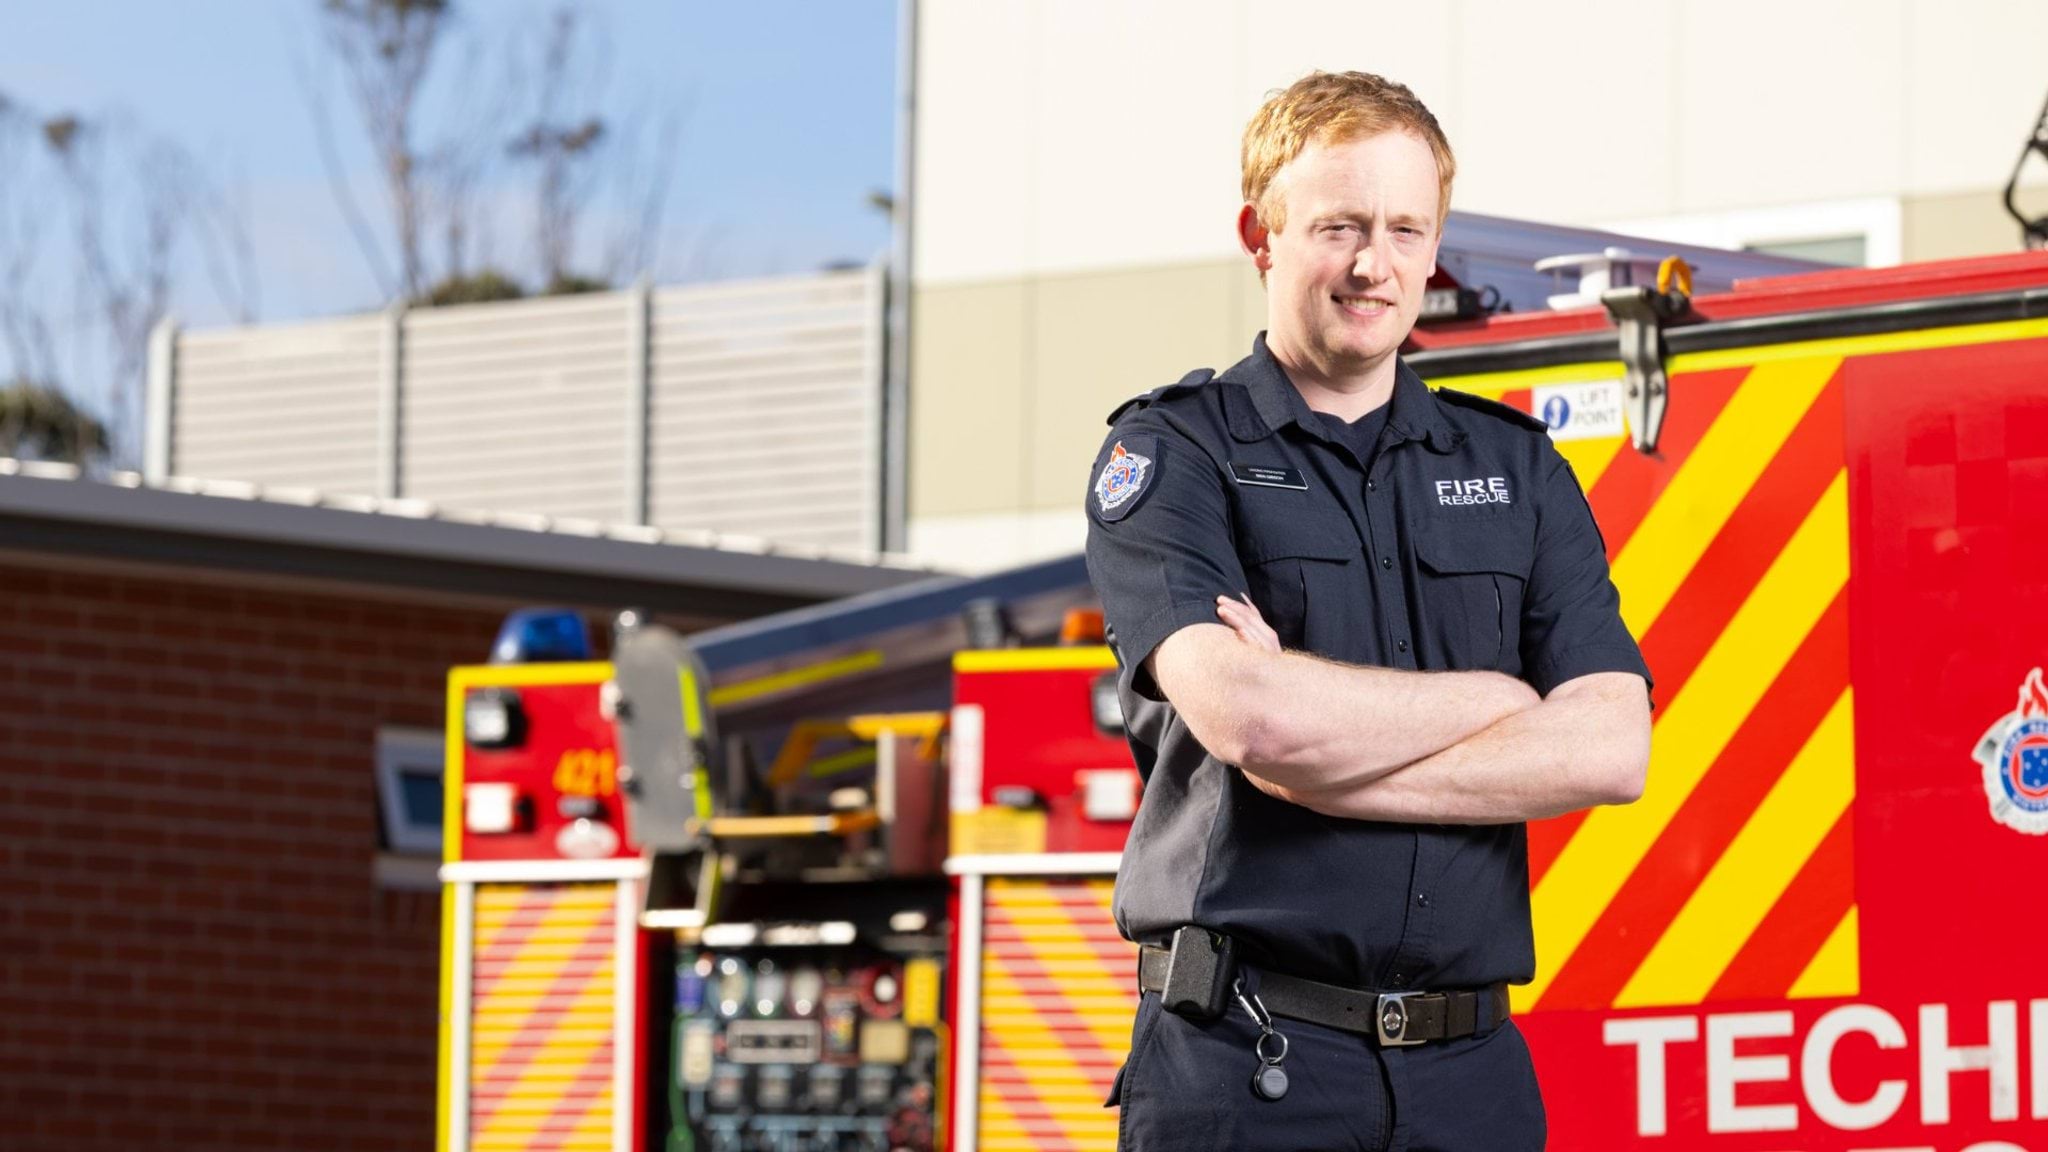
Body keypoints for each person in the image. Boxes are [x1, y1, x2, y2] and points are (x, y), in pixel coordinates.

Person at [1084, 71, 1653, 1152]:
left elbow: (1608, 747)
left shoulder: (1518, 470)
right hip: (1242, 1066)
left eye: (1403, 229)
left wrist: (1313, 754)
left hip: (1471, 1080)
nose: (1371, 264)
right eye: (1337, 225)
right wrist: (1496, 701)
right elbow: (1252, 721)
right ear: (1260, 234)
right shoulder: (1170, 455)